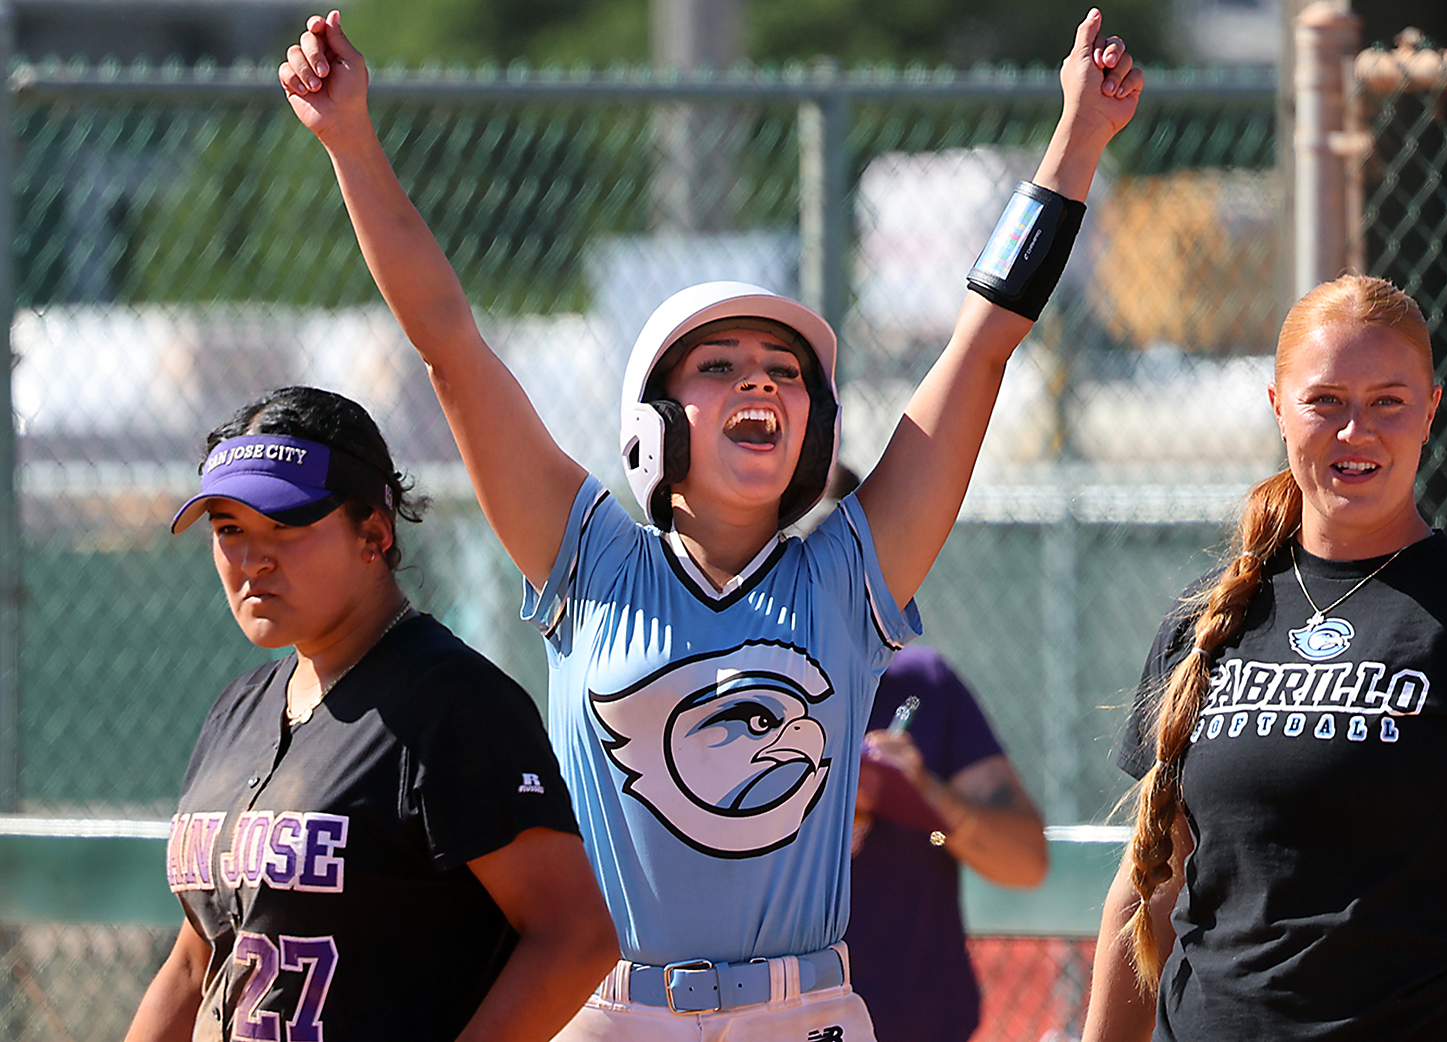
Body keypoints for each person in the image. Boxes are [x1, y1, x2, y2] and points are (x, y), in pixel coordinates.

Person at [278, 11, 1140, 1039]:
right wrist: (352, 142)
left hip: (804, 1010)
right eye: (720, 365)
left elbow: (985, 341)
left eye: (784, 371)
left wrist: (1075, 142)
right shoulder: (588, 554)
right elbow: (449, 345)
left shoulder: (847, 568)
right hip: (609, 1009)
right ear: (652, 423)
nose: (760, 384)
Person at [1083, 275, 1447, 1042]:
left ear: (1430, 411)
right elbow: (1150, 884)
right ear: (1278, 409)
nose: (1356, 431)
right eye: (1326, 400)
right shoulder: (1208, 618)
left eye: (1388, 401)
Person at [125, 386, 617, 1042]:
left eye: (286, 525)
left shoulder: (453, 704)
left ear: (374, 534)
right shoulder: (238, 710)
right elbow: (196, 964)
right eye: (229, 530)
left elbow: (575, 936)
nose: (251, 559)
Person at [848, 643, 1049, 1042]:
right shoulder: (715, 687)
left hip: (919, 1024)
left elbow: (1028, 862)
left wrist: (927, 797)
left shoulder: (918, 683)